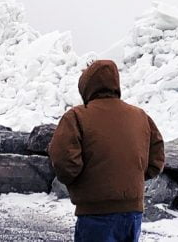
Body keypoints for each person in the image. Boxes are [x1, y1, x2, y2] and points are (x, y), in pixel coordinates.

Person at [48, 60, 165, 242]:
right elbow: (157, 158)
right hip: (133, 213)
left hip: (96, 214)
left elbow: (64, 162)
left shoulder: (77, 116)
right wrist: (132, 177)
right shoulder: (140, 116)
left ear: (86, 87)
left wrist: (78, 181)